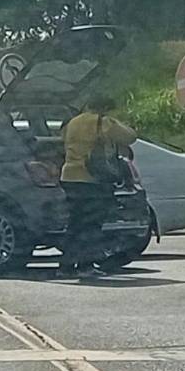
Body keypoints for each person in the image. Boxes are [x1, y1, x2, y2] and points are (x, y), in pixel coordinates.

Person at [59, 94, 135, 278]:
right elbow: (130, 137)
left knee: (75, 223)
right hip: (92, 178)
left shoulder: (73, 122)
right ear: (104, 108)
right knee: (92, 225)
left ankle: (65, 266)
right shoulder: (103, 122)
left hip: (69, 176)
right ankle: (85, 265)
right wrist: (113, 120)